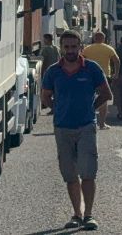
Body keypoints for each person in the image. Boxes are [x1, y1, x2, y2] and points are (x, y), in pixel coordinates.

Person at [41, 30, 112, 231]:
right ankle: (76, 214)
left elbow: (106, 93)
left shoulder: (92, 69)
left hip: (86, 127)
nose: (70, 50)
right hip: (62, 129)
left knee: (88, 173)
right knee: (70, 175)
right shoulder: (53, 71)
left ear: (80, 47)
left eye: (74, 47)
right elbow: (45, 95)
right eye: (66, 47)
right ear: (61, 47)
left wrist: (91, 108)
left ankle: (88, 215)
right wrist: (56, 109)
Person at [81, 32, 120, 129]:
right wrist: (116, 73)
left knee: (88, 98)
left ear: (94, 38)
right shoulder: (108, 48)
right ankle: (102, 124)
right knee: (104, 99)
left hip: (89, 77)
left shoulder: (87, 49)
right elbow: (117, 60)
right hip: (104, 76)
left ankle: (86, 122)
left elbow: (81, 60)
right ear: (104, 38)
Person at [38, 33, 61, 114]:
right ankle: (54, 108)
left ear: (47, 39)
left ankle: (53, 108)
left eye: (44, 39)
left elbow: (41, 62)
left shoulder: (45, 49)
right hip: (57, 72)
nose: (43, 41)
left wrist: (41, 73)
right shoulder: (56, 48)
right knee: (56, 92)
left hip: (48, 72)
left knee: (46, 92)